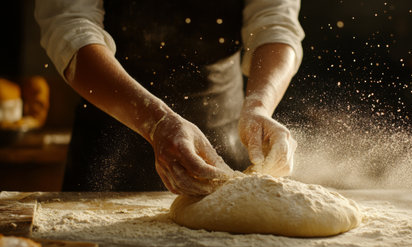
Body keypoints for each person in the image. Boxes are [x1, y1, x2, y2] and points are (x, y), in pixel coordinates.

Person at [35, 0, 304, 195]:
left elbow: (276, 22)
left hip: (221, 133)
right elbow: (70, 25)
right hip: (111, 116)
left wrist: (259, 106)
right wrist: (155, 120)